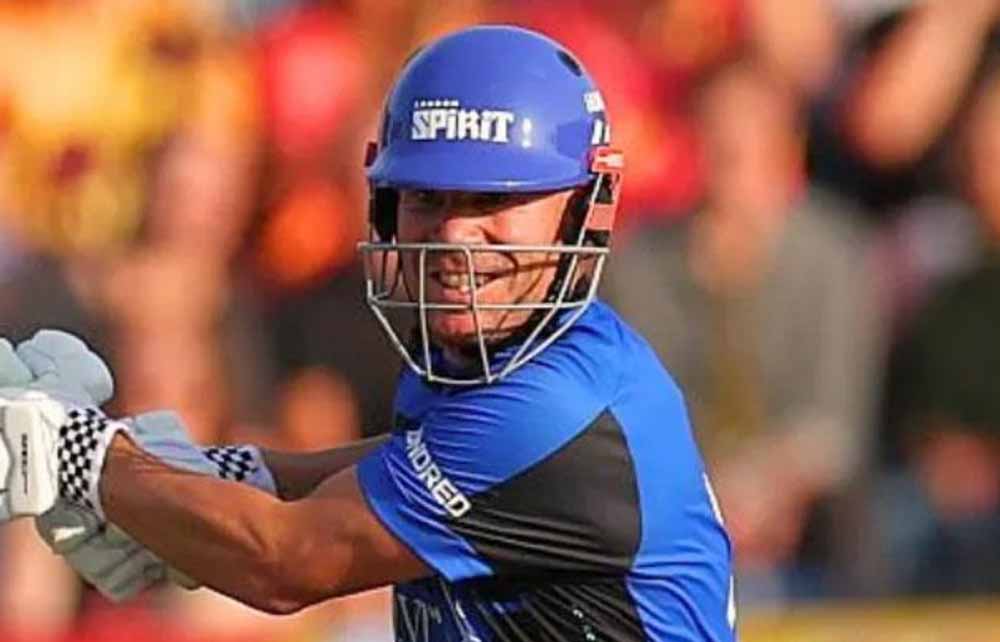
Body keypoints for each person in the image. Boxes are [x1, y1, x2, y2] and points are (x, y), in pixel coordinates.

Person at [0, 26, 734, 642]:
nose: (455, 236)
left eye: (492, 199)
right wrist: (167, 473)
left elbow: (284, 562)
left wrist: (78, 454)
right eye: (427, 197)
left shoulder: (555, 405)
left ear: (584, 207)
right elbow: (333, 480)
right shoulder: (488, 360)